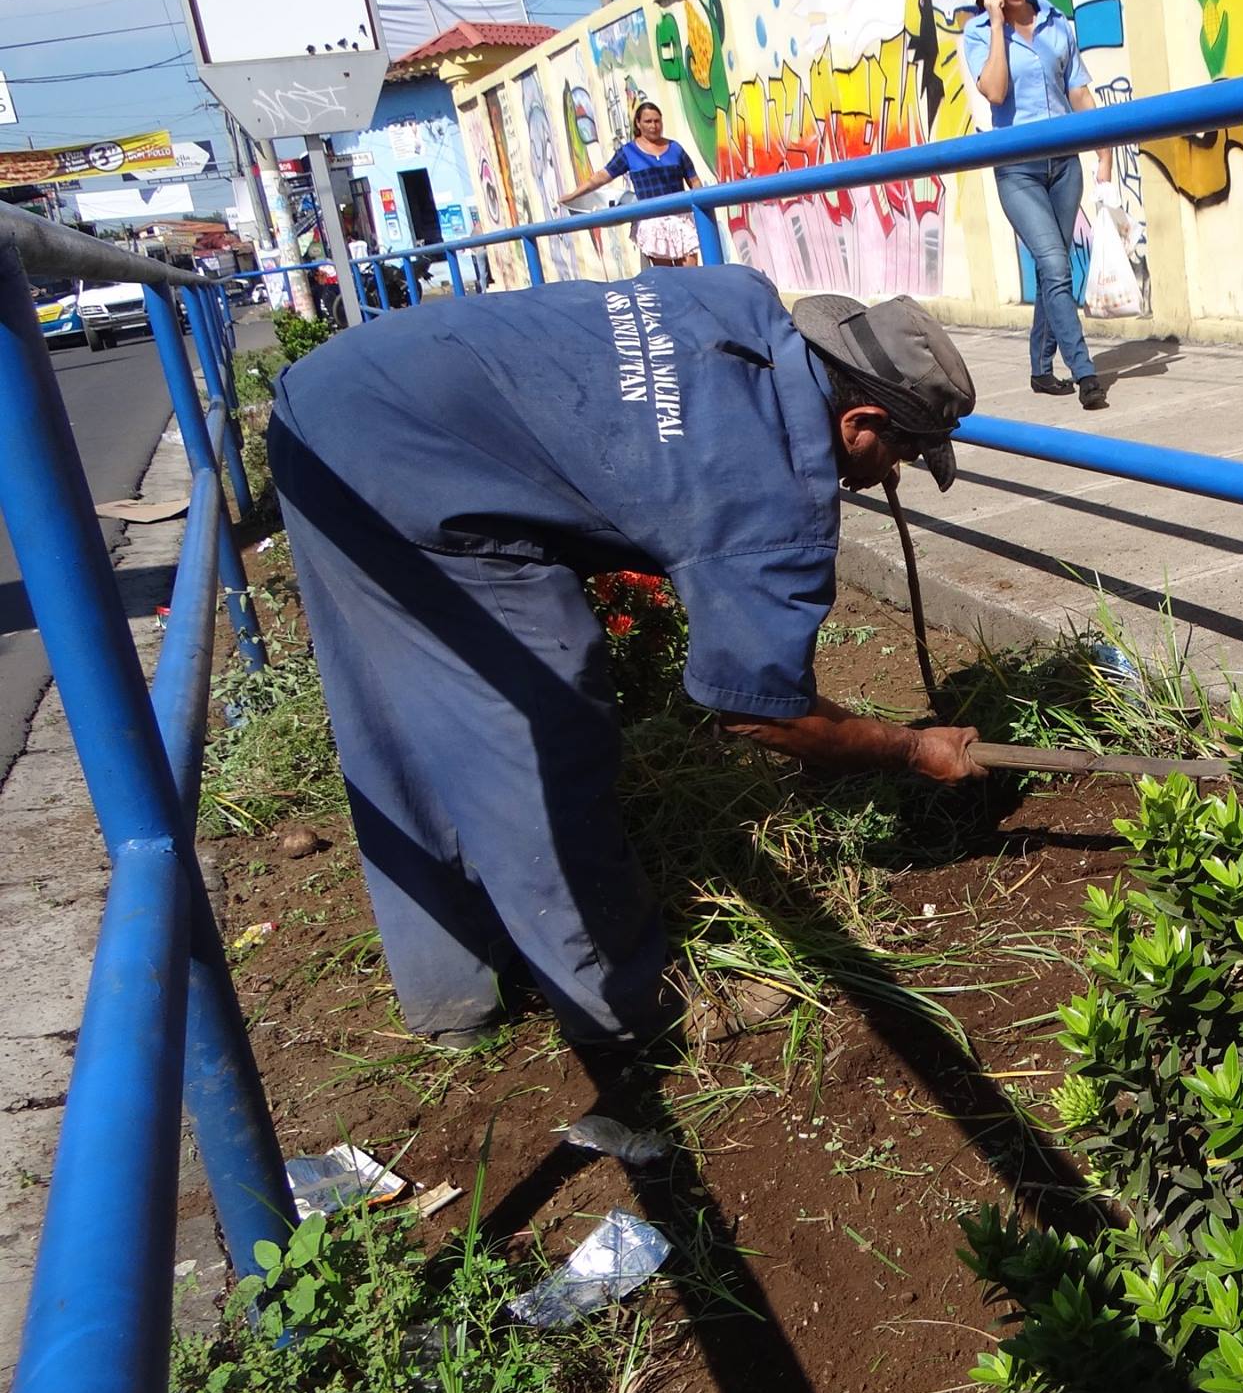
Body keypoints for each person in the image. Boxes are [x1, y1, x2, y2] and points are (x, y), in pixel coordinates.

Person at [268, 265, 984, 1050]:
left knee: (402, 705)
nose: (893, 476)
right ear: (861, 422)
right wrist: (912, 749)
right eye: (905, 457)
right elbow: (758, 714)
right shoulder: (763, 498)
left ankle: (455, 999)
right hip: (409, 465)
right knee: (543, 731)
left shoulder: (735, 299)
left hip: (341, 395)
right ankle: (631, 1012)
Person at [962, 0, 1117, 412]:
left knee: (1055, 270)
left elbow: (1077, 92)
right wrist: (994, 22)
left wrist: (1104, 153)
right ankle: (1086, 372)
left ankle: (1039, 367)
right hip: (1019, 172)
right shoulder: (978, 34)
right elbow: (995, 92)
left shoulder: (1055, 21)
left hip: (1065, 164)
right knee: (1054, 265)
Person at [559, 101, 704, 267]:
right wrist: (573, 196)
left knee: (691, 274)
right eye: (648, 121)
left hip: (681, 220)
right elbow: (601, 177)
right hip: (652, 222)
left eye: (657, 121)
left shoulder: (675, 148)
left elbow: (694, 180)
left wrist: (702, 207)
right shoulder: (629, 152)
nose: (653, 126)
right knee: (668, 279)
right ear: (638, 123)